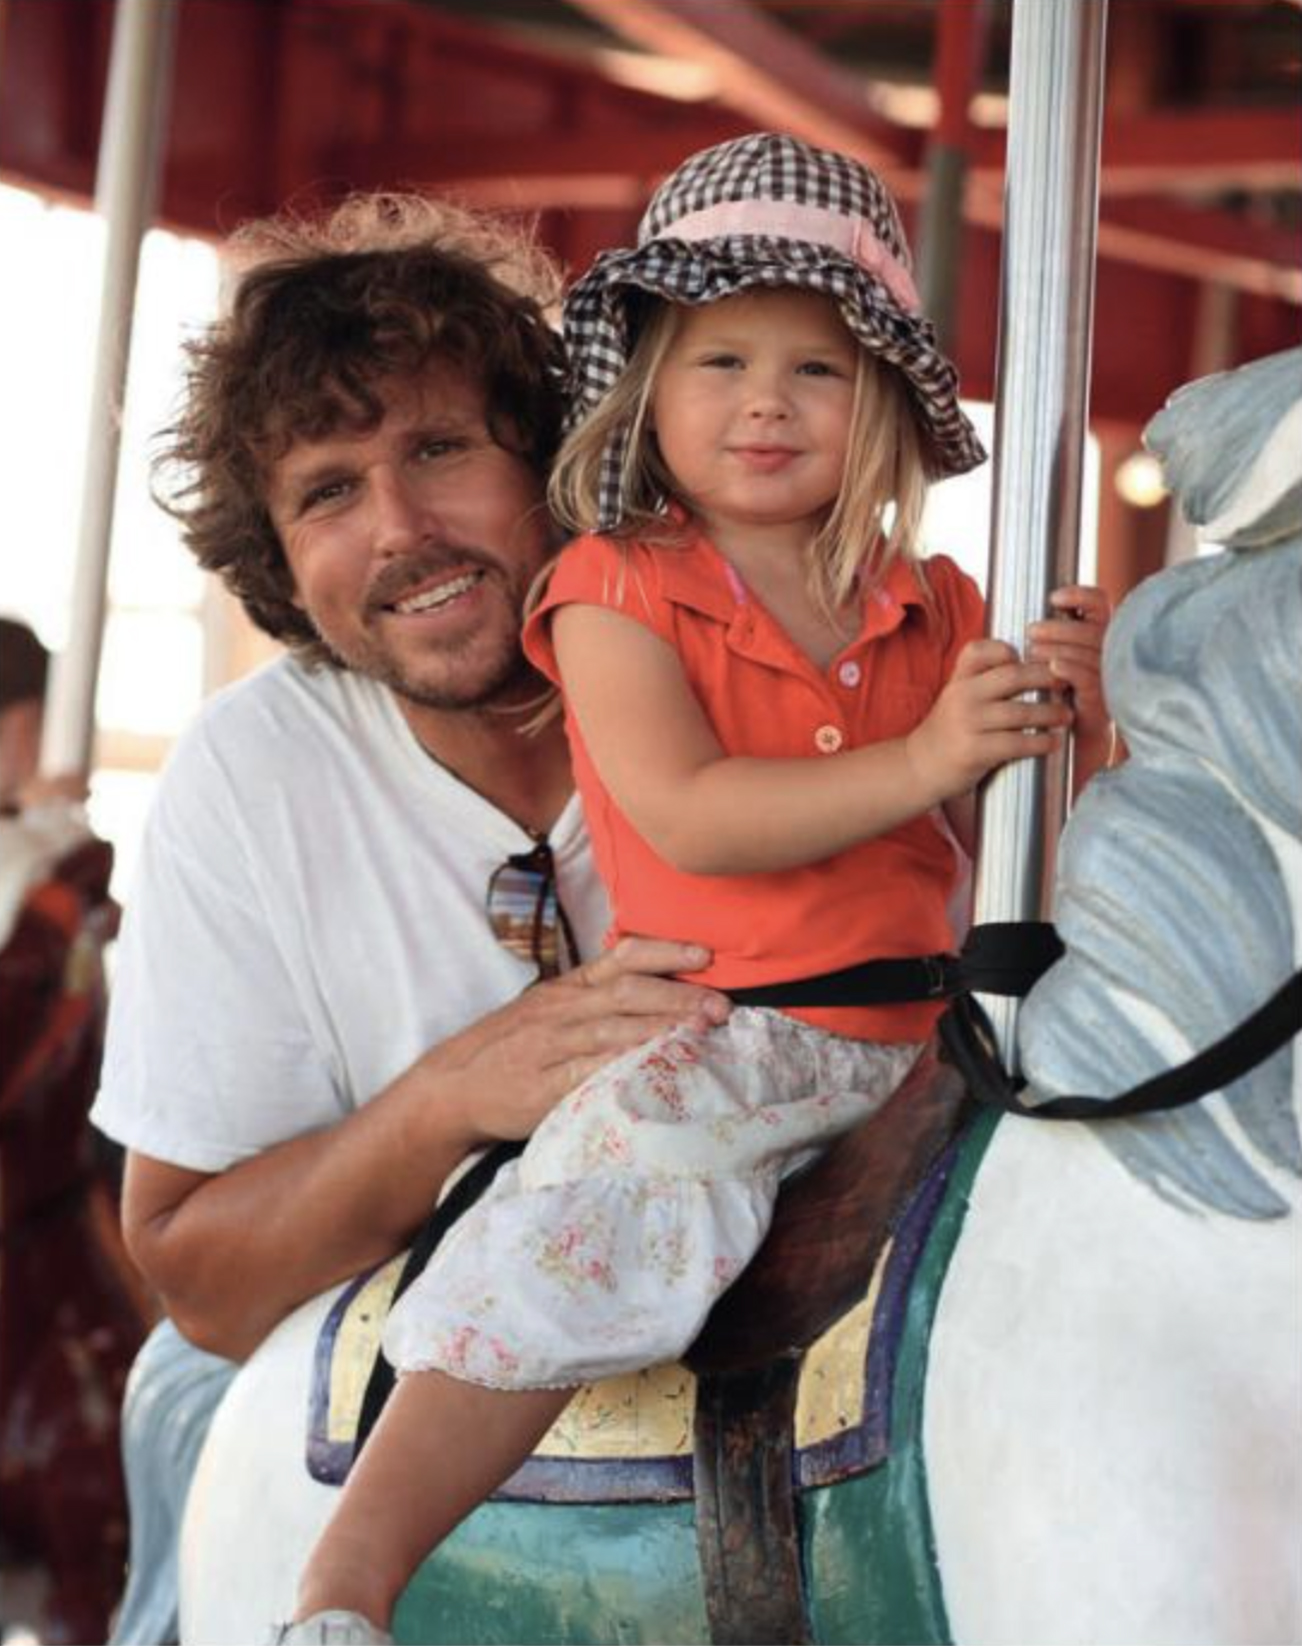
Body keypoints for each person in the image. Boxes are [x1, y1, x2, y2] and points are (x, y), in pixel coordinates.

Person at [279, 135, 1114, 1646]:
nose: (764, 402)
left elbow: (1036, 847)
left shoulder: (934, 604)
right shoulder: (614, 586)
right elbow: (692, 812)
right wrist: (932, 749)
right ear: (646, 390)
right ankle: (350, 1578)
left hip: (938, 1038)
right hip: (740, 1034)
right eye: (720, 358)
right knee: (585, 1227)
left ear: (879, 405)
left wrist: (1067, 714)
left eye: (817, 367)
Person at [88, 192, 731, 1646]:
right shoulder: (252, 776)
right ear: (277, 552)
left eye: (439, 449)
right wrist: (452, 1093)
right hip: (352, 1383)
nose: (400, 529)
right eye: (326, 491)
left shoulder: (726, 671)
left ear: (548, 458)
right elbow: (194, 1275)